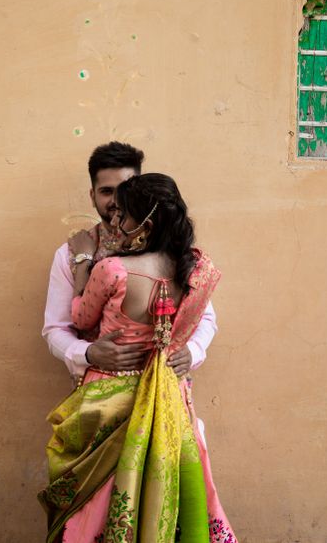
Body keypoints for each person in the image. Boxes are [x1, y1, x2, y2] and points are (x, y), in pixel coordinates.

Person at [39, 173, 238, 543]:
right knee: (168, 489)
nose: (117, 220)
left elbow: (81, 319)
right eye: (109, 200)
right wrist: (179, 350)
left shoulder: (111, 269)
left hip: (109, 398)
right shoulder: (196, 269)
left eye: (124, 213)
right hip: (170, 398)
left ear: (145, 222)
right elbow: (199, 319)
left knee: (98, 501)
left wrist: (84, 269)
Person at [42, 142, 217, 384]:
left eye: (123, 190)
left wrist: (193, 352)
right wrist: (89, 353)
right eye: (106, 191)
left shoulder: (178, 255)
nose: (115, 201)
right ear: (92, 196)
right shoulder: (70, 253)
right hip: (103, 398)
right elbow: (56, 328)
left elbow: (204, 316)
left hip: (165, 394)